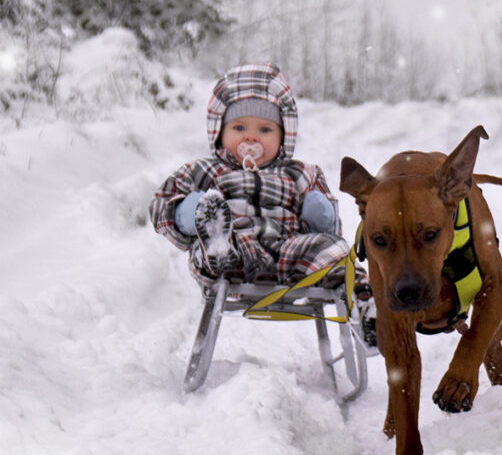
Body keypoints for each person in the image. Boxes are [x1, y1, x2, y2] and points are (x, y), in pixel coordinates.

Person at [149, 62, 356, 287]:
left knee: (335, 247)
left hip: (288, 251)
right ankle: (219, 252)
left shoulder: (299, 174)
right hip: (235, 244)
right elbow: (160, 204)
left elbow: (333, 225)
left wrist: (320, 216)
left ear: (283, 136)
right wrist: (185, 214)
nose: (251, 138)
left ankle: (360, 296)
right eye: (239, 128)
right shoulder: (207, 171)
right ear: (219, 132)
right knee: (208, 246)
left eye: (265, 130)